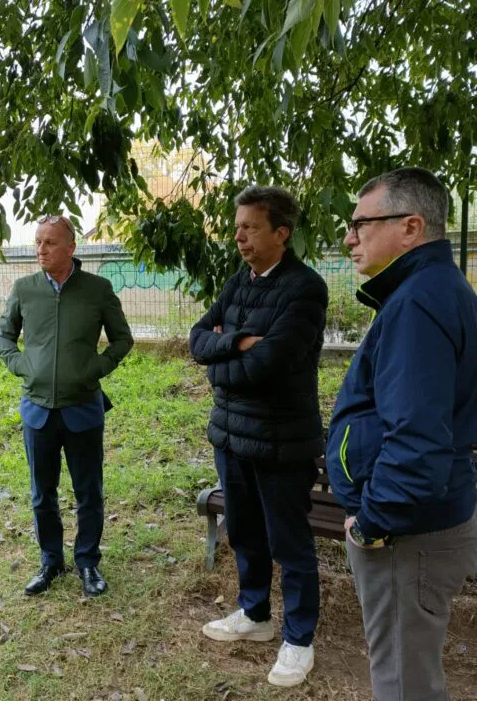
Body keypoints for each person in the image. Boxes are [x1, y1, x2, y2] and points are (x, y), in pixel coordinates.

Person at [326, 167, 477, 701]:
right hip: (420, 524)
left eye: (360, 223)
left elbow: (416, 442)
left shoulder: (417, 303)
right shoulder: (432, 290)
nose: (349, 238)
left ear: (411, 227)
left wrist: (372, 524)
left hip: (406, 535)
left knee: (403, 685)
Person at [190, 186, 328, 688]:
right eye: (237, 226)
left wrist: (221, 359)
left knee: (289, 542)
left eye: (250, 226)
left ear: (281, 234)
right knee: (244, 531)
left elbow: (273, 363)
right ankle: (255, 615)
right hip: (231, 435)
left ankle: (298, 638)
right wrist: (236, 344)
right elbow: (196, 340)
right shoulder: (237, 282)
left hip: (281, 440)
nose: (239, 235)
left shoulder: (305, 288)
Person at [0, 215, 133, 597]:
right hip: (38, 410)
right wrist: (23, 366)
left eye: (50, 242)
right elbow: (3, 336)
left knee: (89, 491)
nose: (41, 249)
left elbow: (122, 339)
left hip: (82, 409)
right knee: (42, 492)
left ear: (71, 248)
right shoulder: (25, 289)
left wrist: (96, 368)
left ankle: (87, 562)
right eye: (38, 242)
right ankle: (50, 561)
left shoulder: (98, 290)